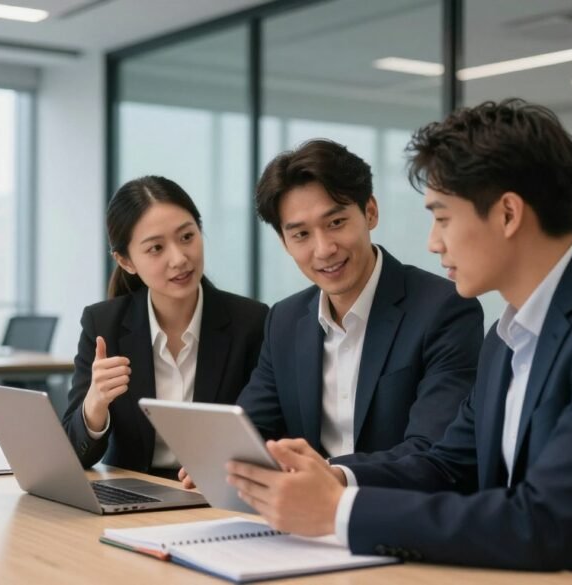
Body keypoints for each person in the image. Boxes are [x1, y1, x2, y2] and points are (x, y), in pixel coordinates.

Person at [226, 99, 572, 584]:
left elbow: (543, 522)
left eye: (442, 217)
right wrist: (336, 480)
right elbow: (446, 463)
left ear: (507, 214)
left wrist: (339, 511)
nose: (432, 241)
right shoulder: (508, 335)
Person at [180, 139, 481, 489]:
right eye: (301, 234)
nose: (323, 249)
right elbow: (250, 429)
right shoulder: (285, 320)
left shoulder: (443, 308)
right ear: (284, 241)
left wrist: (328, 474)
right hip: (300, 522)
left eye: (336, 222)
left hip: (397, 519)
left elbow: (432, 450)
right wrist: (220, 457)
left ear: (370, 211)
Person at [62, 175, 268, 478]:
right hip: (134, 496)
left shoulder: (251, 322)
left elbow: (268, 431)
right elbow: (73, 456)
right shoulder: (103, 324)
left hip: (214, 497)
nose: (179, 258)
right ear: (126, 261)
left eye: (187, 237)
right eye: (156, 248)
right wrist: (95, 404)